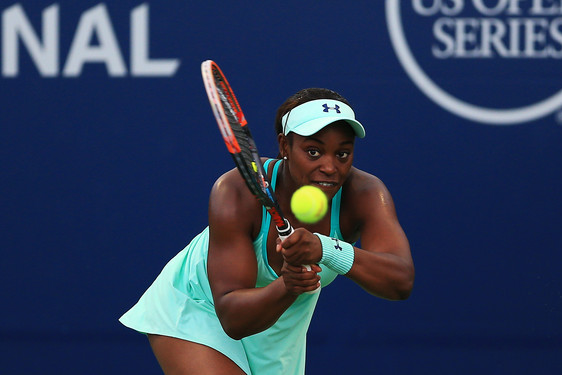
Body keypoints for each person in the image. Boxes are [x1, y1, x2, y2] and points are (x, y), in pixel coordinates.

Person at [119, 87, 415, 375]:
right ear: (285, 146)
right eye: (313, 151)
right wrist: (287, 285)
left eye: (342, 154)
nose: (330, 167)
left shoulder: (364, 194)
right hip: (197, 306)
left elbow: (400, 281)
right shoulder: (236, 191)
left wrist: (326, 249)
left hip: (278, 323)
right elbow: (233, 319)